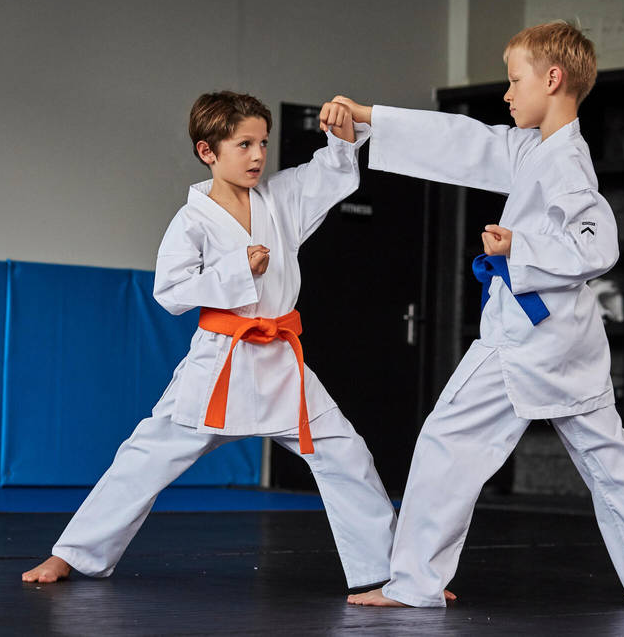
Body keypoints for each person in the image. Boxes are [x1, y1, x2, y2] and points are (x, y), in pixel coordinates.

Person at [337, 21, 624, 609]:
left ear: (552, 79)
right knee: (612, 459)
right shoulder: (538, 149)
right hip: (565, 341)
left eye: (514, 80)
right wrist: (372, 115)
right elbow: (465, 142)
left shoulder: (566, 164)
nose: (506, 94)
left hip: (526, 340)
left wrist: (518, 250)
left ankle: (415, 584)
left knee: (446, 442)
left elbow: (598, 245)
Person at [22, 91, 398, 590]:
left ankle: (390, 575)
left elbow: (329, 174)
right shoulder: (192, 220)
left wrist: (342, 135)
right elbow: (170, 292)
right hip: (221, 362)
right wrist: (237, 268)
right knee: (147, 456)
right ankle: (71, 554)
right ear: (208, 152)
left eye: (263, 143)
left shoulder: (279, 199)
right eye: (243, 145)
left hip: (283, 361)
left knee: (348, 455)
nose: (258, 156)